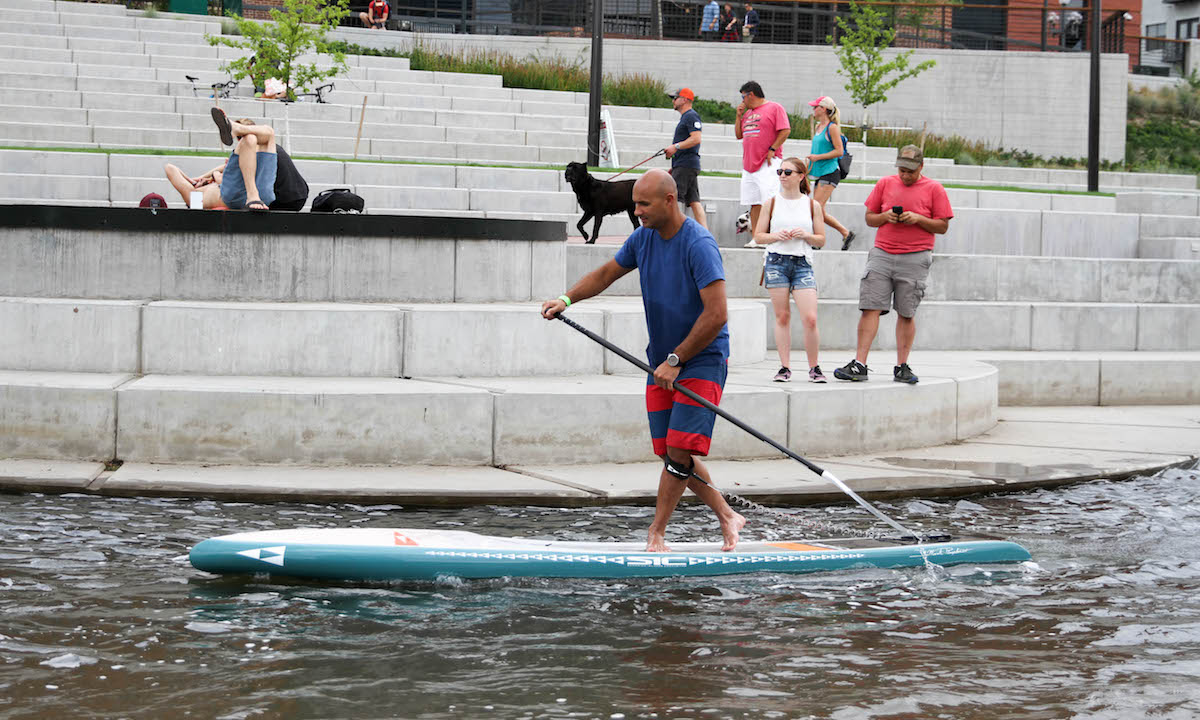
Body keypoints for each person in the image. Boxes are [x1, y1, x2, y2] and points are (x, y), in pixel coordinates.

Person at [540, 169, 745, 553]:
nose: (636, 211)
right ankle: (728, 516)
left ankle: (657, 533)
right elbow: (605, 273)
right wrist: (566, 299)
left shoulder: (698, 244)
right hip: (662, 362)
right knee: (672, 451)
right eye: (634, 203)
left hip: (701, 359)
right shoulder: (643, 238)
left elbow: (717, 314)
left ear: (669, 200)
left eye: (643, 204)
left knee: (680, 449)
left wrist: (678, 357)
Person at [833, 146, 953, 385]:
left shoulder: (934, 189)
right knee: (870, 307)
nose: (905, 175)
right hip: (882, 253)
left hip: (916, 256)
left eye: (909, 171)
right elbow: (870, 218)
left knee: (907, 312)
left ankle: (902, 365)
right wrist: (885, 216)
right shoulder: (885, 183)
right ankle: (859, 364)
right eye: (901, 170)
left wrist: (918, 219)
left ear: (921, 167)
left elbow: (942, 226)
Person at [752, 157, 827, 383]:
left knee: (810, 318)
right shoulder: (771, 203)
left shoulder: (812, 205)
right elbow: (758, 235)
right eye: (780, 172)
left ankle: (814, 367)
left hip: (802, 263)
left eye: (788, 172)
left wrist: (805, 235)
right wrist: (777, 236)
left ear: (800, 176)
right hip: (776, 261)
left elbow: (821, 239)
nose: (783, 176)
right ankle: (785, 366)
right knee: (782, 316)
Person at [210, 109, 309, 211]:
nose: (240, 141)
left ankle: (236, 128)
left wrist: (215, 175)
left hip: (283, 198)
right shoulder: (268, 147)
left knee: (255, 137)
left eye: (240, 137)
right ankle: (236, 128)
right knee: (269, 131)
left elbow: (235, 177)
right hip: (298, 194)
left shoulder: (252, 148)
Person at [734, 81, 790, 249]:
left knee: (769, 201)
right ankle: (757, 238)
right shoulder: (748, 113)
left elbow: (785, 130)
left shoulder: (774, 108)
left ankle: (772, 236)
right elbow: (739, 135)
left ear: (751, 94)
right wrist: (738, 116)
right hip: (749, 164)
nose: (742, 100)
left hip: (768, 163)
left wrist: (772, 148)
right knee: (754, 203)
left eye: (743, 96)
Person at [805, 96, 856, 251]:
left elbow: (839, 151)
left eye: (816, 107)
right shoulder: (818, 127)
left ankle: (818, 241)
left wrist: (817, 158)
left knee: (815, 208)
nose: (813, 109)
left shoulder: (832, 128)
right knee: (819, 210)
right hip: (819, 173)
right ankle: (846, 233)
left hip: (830, 172)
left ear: (824, 109)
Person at [663, 87, 707, 229]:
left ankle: (674, 230)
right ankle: (705, 233)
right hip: (685, 164)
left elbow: (696, 139)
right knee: (694, 201)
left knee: (674, 199)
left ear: (685, 100)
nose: (673, 101)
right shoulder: (687, 117)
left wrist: (675, 147)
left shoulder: (690, 116)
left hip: (685, 165)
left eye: (675, 98)